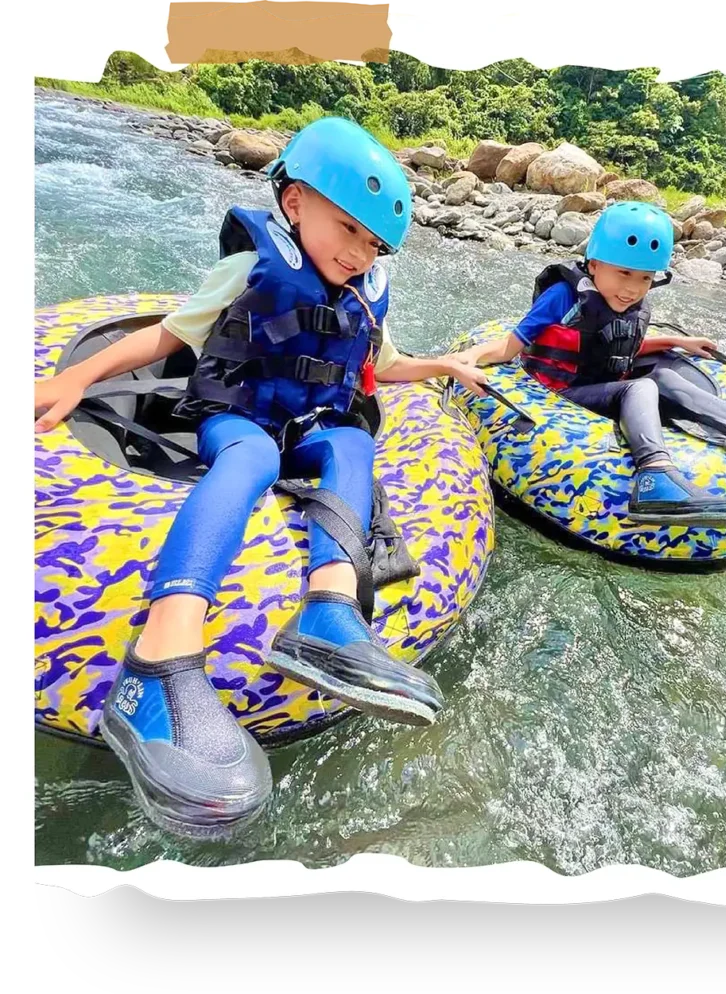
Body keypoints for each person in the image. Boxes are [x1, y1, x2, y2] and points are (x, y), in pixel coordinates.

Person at [33, 117, 486, 837]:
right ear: (296, 201)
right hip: (240, 413)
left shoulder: (365, 294)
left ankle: (328, 617)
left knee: (350, 444)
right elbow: (168, 335)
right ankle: (158, 657)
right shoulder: (251, 269)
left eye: (375, 243)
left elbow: (384, 366)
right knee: (254, 460)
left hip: (308, 420)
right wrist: (77, 376)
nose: (360, 251)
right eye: (349, 228)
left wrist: (446, 367)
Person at [455, 201, 726, 526]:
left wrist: (676, 342)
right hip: (565, 393)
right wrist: (471, 356)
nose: (632, 288)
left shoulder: (627, 303)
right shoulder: (562, 297)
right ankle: (654, 477)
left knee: (665, 379)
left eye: (645, 278)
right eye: (624, 273)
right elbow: (510, 346)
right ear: (594, 264)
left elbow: (618, 347)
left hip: (609, 385)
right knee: (642, 386)